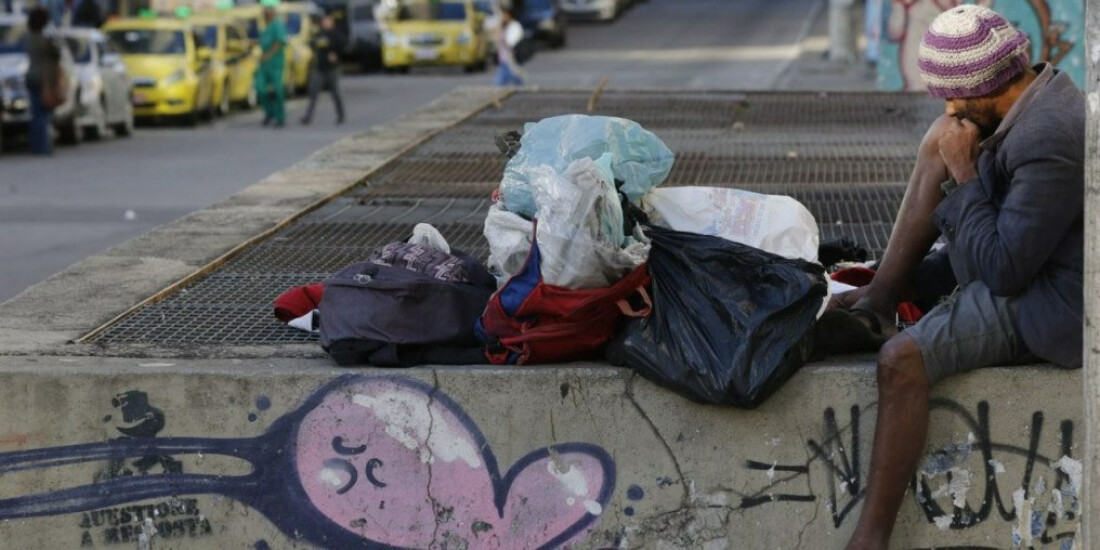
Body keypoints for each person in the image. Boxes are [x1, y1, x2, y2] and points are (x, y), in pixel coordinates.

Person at [824, 6, 1084, 549]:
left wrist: (965, 171)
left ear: (986, 87)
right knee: (938, 140)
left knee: (900, 362)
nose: (948, 107)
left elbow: (1004, 272)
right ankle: (879, 298)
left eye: (954, 96)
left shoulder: (1049, 137)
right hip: (1012, 252)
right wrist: (951, 156)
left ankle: (869, 538)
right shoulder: (1028, 98)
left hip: (1048, 300)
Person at [24, 7, 61, 156]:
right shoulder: (43, 40)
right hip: (43, 79)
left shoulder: (29, 38)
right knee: (42, 114)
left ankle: (37, 144)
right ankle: (42, 146)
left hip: (32, 77)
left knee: (36, 113)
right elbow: (55, 55)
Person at [300, 14, 344, 125]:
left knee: (335, 93)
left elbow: (342, 46)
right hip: (320, 68)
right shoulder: (320, 34)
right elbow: (312, 43)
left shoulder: (336, 34)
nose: (325, 23)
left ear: (332, 21)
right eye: (324, 21)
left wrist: (336, 55)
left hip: (332, 69)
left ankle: (340, 115)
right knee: (313, 92)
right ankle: (308, 116)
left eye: (327, 21)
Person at [254, 2, 287, 128]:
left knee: (278, 91)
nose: (265, 14)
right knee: (260, 88)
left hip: (275, 64)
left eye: (267, 11)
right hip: (264, 65)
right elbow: (262, 42)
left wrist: (268, 54)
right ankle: (269, 112)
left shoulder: (277, 25)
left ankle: (280, 117)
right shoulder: (265, 28)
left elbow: (280, 42)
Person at [493, 7, 525, 87]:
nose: (503, 17)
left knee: (500, 82)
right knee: (515, 79)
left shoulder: (515, 26)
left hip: (510, 57)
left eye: (505, 15)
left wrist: (503, 38)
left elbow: (511, 42)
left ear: (509, 15)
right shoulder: (504, 26)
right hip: (504, 58)